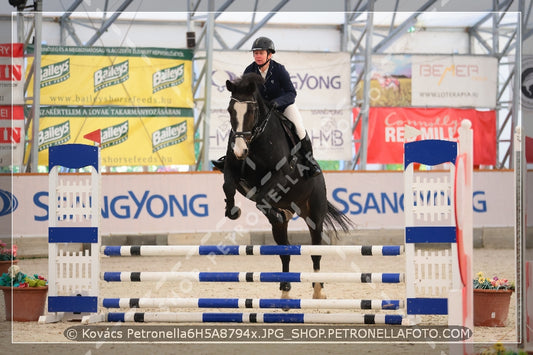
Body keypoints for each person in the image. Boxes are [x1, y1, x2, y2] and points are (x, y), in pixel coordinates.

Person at [212, 36, 321, 177]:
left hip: (283, 107)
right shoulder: (249, 70)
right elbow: (245, 93)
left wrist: (278, 102)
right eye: (255, 53)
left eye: (261, 53)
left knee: (299, 128)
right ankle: (229, 160)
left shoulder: (279, 70)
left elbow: (291, 92)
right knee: (239, 128)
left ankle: (309, 162)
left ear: (269, 54)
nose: (258, 56)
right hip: (261, 111)